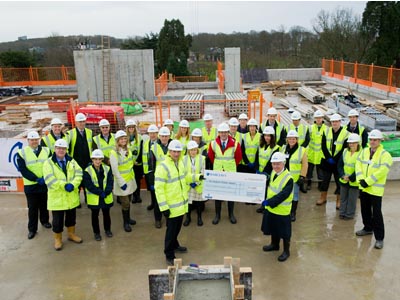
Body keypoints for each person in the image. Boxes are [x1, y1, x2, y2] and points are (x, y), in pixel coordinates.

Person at [155, 140, 193, 266]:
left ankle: (175, 245)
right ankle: (169, 253)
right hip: (171, 207)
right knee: (171, 231)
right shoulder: (163, 166)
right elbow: (159, 189)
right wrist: (164, 207)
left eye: (178, 151)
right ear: (169, 152)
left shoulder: (180, 163)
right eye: (174, 151)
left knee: (177, 228)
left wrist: (197, 177)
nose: (176, 154)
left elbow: (185, 177)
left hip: (180, 204)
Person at [42, 139, 83, 251]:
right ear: (55, 149)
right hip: (58, 199)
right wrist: (64, 185)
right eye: (59, 148)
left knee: (71, 218)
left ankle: (71, 234)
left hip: (71, 197)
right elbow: (49, 180)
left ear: (66, 150)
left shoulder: (72, 161)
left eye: (63, 148)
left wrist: (73, 185)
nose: (61, 150)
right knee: (57, 221)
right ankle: (58, 239)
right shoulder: (48, 163)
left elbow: (79, 174)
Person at [355, 129, 393, 249]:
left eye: (375, 140)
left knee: (376, 214)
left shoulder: (385, 155)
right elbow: (358, 165)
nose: (372, 142)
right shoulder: (364, 151)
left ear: (380, 141)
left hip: (375, 190)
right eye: (371, 139)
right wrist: (361, 179)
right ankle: (367, 228)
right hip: (364, 187)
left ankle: (379, 238)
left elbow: (382, 171)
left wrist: (368, 181)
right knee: (365, 210)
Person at [17, 131, 52, 239]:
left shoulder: (46, 150)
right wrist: (36, 179)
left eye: (36, 139)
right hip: (31, 185)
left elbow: (51, 165)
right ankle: (32, 229)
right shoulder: (22, 153)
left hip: (44, 183)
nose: (34, 142)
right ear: (28, 141)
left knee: (44, 204)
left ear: (39, 140)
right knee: (32, 207)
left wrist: (45, 178)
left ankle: (45, 221)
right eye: (32, 140)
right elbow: (23, 170)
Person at [261, 152, 294, 262]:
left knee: (284, 233)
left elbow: (282, 196)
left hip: (282, 211)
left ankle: (286, 251)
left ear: (283, 163)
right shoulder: (273, 172)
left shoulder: (288, 178)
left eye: (278, 164)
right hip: (271, 209)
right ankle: (274, 245)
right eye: (273, 164)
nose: (275, 166)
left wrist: (268, 202)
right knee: (273, 228)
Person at [208, 122, 242, 224]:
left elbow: (238, 158)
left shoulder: (235, 143)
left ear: (228, 132)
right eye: (221, 132)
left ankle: (231, 214)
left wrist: (229, 166)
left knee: (230, 195)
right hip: (218, 172)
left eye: (225, 132)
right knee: (217, 195)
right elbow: (211, 156)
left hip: (230, 172)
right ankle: (217, 215)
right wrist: (219, 165)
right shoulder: (213, 143)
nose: (223, 134)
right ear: (219, 133)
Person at [317, 113, 348, 209]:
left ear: (340, 122)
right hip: (327, 162)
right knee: (325, 181)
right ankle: (323, 197)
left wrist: (335, 159)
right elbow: (323, 145)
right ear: (331, 123)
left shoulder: (345, 133)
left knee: (339, 182)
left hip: (338, 163)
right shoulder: (326, 131)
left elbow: (344, 148)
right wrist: (328, 158)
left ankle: (338, 201)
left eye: (336, 121)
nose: (335, 123)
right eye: (333, 122)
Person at [83, 149, 114, 241]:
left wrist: (107, 191)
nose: (98, 161)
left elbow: (110, 181)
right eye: (95, 159)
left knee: (106, 214)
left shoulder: (107, 169)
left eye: (100, 159)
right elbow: (89, 185)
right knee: (94, 216)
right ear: (92, 159)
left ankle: (107, 230)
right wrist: (100, 192)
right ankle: (96, 233)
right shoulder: (87, 171)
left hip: (106, 196)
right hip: (95, 198)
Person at [109, 130, 137, 232]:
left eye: (125, 138)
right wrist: (121, 183)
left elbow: (129, 164)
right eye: (121, 139)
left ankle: (128, 219)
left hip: (130, 180)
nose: (124, 140)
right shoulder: (114, 153)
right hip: (122, 182)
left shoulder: (128, 150)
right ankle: (125, 222)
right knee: (125, 203)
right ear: (117, 140)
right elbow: (115, 170)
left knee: (128, 201)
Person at [281, 130, 308, 222]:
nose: (291, 140)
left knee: (294, 196)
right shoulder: (283, 148)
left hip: (295, 178)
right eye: (290, 139)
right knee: (284, 194)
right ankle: (285, 210)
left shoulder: (302, 150)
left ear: (296, 139)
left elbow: (305, 164)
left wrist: (302, 176)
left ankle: (293, 213)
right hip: (284, 177)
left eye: (293, 139)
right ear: (287, 139)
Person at [68, 112, 93, 205]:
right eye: (80, 122)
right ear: (76, 123)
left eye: (83, 121)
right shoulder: (70, 133)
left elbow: (92, 146)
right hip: (76, 162)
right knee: (76, 182)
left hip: (87, 161)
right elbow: (68, 148)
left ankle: (88, 199)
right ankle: (77, 201)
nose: (82, 123)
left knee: (87, 181)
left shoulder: (90, 132)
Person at [149, 126, 172, 228]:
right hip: (158, 177)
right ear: (159, 136)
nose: (164, 138)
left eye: (166, 136)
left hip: (170, 178)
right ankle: (157, 219)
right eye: (162, 136)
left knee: (169, 199)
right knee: (158, 200)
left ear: (169, 136)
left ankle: (168, 219)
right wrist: (152, 182)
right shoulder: (154, 147)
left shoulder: (173, 146)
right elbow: (151, 165)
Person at [256, 126, 280, 213]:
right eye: (265, 135)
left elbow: (271, 162)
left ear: (272, 137)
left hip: (270, 173)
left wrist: (265, 173)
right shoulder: (261, 146)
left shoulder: (276, 148)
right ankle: (263, 205)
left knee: (269, 191)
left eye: (269, 136)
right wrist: (257, 169)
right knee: (263, 191)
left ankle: (267, 207)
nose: (267, 138)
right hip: (261, 173)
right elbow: (257, 157)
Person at [338, 133, 361, 220]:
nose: (351, 144)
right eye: (350, 143)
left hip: (354, 181)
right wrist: (342, 175)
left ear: (357, 143)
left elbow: (360, 168)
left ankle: (349, 214)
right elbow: (340, 165)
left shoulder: (361, 153)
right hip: (344, 179)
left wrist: (351, 178)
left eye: (353, 143)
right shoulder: (345, 151)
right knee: (343, 198)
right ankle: (342, 212)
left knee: (352, 199)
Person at [183, 141, 206, 227]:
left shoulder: (202, 158)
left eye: (195, 150)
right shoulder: (184, 159)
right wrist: (190, 182)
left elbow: (203, 172)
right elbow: (183, 172)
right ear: (188, 150)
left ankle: (199, 218)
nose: (193, 152)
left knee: (199, 203)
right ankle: (188, 218)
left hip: (198, 185)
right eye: (191, 150)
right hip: (188, 185)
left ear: (197, 150)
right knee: (188, 203)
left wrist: (196, 183)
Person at [306, 110, 327, 190]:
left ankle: (320, 184)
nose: (318, 119)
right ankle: (309, 184)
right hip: (311, 153)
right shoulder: (311, 128)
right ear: (315, 118)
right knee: (309, 171)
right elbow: (308, 140)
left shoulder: (326, 129)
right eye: (317, 118)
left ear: (322, 118)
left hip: (321, 154)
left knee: (320, 171)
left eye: (320, 118)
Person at [126, 119, 143, 204]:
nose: (131, 128)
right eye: (130, 127)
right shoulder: (125, 138)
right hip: (129, 164)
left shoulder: (139, 138)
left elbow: (142, 149)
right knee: (131, 180)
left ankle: (138, 196)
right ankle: (134, 196)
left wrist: (138, 160)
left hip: (138, 163)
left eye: (133, 127)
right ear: (127, 128)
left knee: (138, 180)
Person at [142, 124, 159, 211]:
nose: (152, 135)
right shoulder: (145, 144)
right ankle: (153, 203)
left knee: (159, 191)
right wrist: (144, 172)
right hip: (148, 172)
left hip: (158, 172)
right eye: (151, 133)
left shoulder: (160, 144)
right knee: (152, 191)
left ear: (157, 133)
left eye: (154, 133)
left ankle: (159, 205)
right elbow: (143, 157)